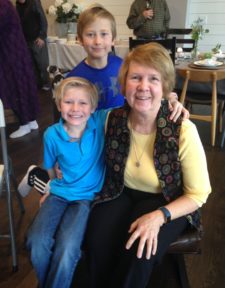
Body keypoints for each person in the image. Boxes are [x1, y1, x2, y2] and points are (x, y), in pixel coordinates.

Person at [83, 42, 211, 288]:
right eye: (135, 77)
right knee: (96, 241)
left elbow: (199, 194)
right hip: (120, 191)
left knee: (140, 249)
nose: (143, 86)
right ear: (124, 84)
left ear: (165, 87)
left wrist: (160, 216)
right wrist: (57, 170)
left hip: (168, 200)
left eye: (153, 79)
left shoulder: (182, 129)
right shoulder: (112, 119)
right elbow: (74, 132)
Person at [17, 5, 187, 197]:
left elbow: (145, 92)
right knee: (73, 189)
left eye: (104, 34)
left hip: (120, 135)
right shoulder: (74, 78)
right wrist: (58, 158)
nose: (98, 41)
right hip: (89, 143)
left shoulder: (123, 67)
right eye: (90, 34)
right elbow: (63, 117)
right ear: (80, 39)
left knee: (110, 185)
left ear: (113, 38)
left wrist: (169, 100)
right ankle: (38, 177)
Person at [26, 77, 109, 288]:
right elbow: (51, 169)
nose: (75, 109)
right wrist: (47, 190)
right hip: (58, 194)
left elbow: (134, 103)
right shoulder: (52, 135)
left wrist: (170, 98)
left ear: (93, 107)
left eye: (82, 103)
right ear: (58, 104)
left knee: (67, 248)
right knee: (36, 242)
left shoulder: (100, 122)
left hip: (86, 199)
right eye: (68, 102)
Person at [0, 0, 39, 138]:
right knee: (24, 86)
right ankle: (31, 120)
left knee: (16, 87)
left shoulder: (2, 5)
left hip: (11, 54)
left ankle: (24, 123)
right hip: (15, 52)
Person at [16, 0, 50, 90]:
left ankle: (47, 84)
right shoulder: (17, 6)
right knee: (31, 65)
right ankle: (37, 85)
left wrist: (42, 36)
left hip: (37, 39)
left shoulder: (34, 2)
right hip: (25, 41)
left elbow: (43, 19)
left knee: (42, 64)